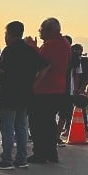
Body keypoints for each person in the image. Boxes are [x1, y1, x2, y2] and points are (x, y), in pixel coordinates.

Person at [0, 21, 48, 169]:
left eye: (6, 33)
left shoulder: (9, 50)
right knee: (21, 127)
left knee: (7, 127)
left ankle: (6, 159)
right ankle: (21, 159)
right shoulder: (30, 50)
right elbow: (45, 66)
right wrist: (35, 83)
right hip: (25, 94)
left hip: (9, 94)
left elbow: (1, 69)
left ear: (11, 34)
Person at [28, 18, 71, 164]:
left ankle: (39, 153)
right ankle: (51, 152)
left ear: (49, 31)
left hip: (44, 89)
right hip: (59, 88)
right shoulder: (65, 43)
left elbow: (39, 63)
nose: (39, 32)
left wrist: (32, 47)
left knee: (38, 123)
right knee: (50, 123)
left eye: (41, 29)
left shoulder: (51, 45)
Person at [69, 43, 88, 139]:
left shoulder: (86, 61)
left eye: (79, 50)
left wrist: (81, 88)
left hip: (80, 88)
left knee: (81, 109)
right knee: (68, 109)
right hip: (70, 88)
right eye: (74, 50)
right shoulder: (70, 60)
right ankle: (68, 128)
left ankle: (86, 129)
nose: (77, 52)